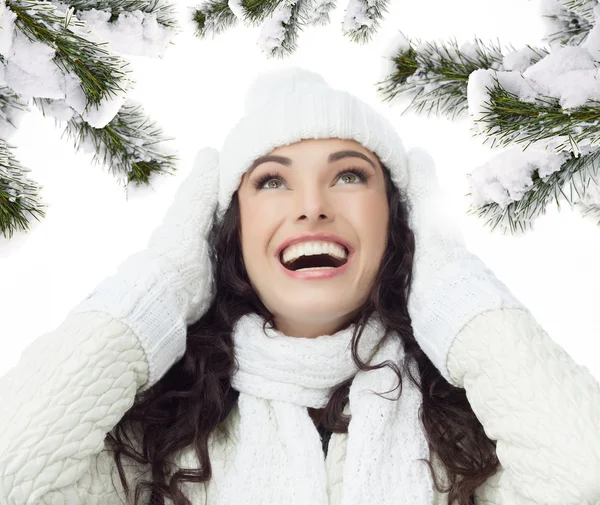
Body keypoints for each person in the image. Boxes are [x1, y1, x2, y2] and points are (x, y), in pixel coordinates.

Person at [1, 67, 599, 505]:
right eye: (271, 183)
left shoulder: (471, 437)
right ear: (231, 234)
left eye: (347, 175)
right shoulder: (153, 448)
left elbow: (585, 475)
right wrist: (160, 286)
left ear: (396, 218)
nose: (312, 207)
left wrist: (453, 293)